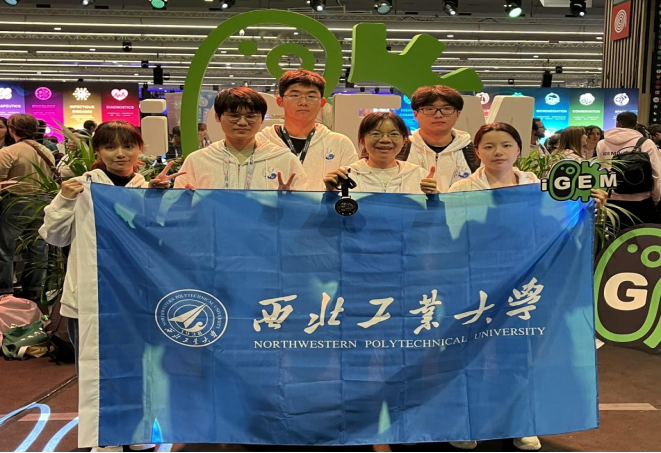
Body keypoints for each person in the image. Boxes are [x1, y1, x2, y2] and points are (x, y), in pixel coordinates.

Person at [448, 123, 607, 451]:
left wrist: (588, 202)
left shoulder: (537, 186)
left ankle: (521, 422)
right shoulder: (461, 188)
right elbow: (449, 234)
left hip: (526, 283)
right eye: (489, 146)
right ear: (476, 152)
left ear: (519, 150)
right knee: (473, 355)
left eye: (506, 145)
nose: (498, 152)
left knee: (520, 353)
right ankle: (469, 422)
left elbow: (559, 222)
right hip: (477, 282)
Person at [39, 121, 181, 453]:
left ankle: (137, 431)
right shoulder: (82, 188)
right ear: (99, 151)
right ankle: (105, 438)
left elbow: (164, 239)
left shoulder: (147, 188)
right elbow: (54, 236)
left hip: (138, 297)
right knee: (96, 369)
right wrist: (64, 200)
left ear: (140, 149)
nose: (120, 154)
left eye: (128, 146)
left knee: (140, 368)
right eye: (110, 146)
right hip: (91, 297)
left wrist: (161, 201)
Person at [175, 87, 307, 191]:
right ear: (217, 117)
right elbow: (178, 207)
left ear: (262, 119)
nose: (242, 122)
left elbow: (306, 206)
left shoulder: (284, 159)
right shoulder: (198, 160)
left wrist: (291, 201)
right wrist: (165, 192)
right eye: (233, 116)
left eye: (251, 116)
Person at [258, 70, 358, 190]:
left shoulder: (340, 144)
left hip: (326, 203)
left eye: (311, 96)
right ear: (280, 101)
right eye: (295, 96)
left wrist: (332, 192)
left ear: (322, 102)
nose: (303, 102)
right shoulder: (261, 141)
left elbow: (355, 188)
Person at [0, 114, 56, 300]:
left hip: (16, 203)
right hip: (43, 202)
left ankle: (4, 290)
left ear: (12, 130)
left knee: (5, 248)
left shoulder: (9, 152)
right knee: (38, 248)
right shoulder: (46, 151)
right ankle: (33, 289)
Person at [323, 112, 437, 195]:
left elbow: (432, 216)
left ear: (404, 141)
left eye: (393, 134)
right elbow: (332, 215)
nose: (385, 140)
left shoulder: (418, 175)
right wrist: (330, 192)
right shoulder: (346, 176)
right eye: (376, 134)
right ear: (362, 140)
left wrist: (434, 195)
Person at [404, 85, 479, 193]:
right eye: (429, 109)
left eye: (447, 109)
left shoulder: (473, 152)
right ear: (415, 114)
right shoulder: (402, 149)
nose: (438, 115)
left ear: (458, 114)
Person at [596, 111, 661, 225]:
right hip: (641, 200)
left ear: (617, 123)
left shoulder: (602, 143)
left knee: (614, 235)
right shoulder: (646, 143)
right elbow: (656, 173)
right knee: (642, 235)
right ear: (636, 124)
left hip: (611, 200)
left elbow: (601, 171)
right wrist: (656, 198)